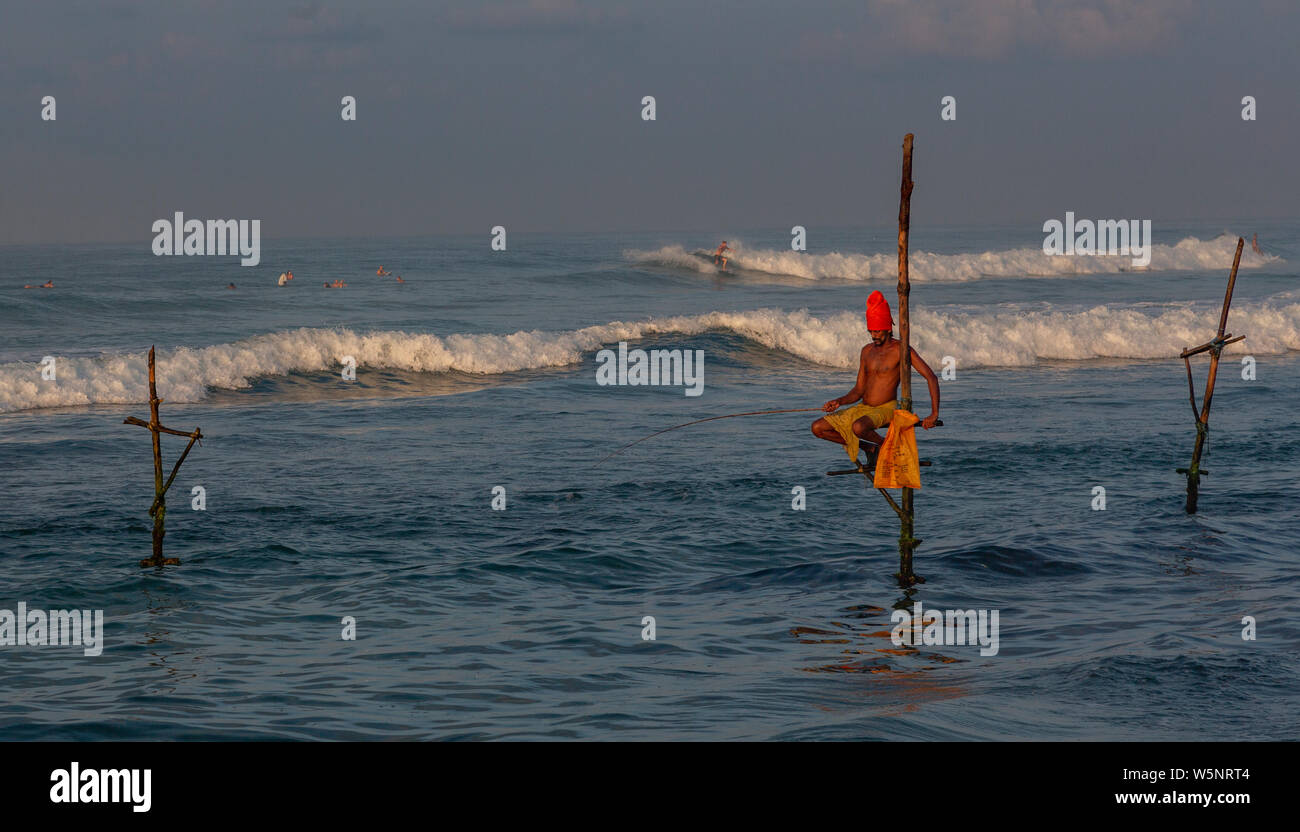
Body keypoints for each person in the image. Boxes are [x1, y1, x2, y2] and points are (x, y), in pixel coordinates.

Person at [811, 290, 941, 467]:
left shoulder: (901, 350)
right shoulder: (866, 351)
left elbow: (931, 377)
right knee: (818, 428)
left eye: (878, 331)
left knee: (858, 427)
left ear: (888, 328)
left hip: (885, 409)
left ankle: (889, 448)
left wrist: (934, 414)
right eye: (870, 331)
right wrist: (839, 401)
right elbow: (858, 390)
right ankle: (871, 449)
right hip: (863, 408)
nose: (874, 335)